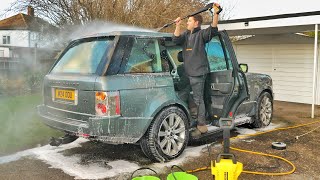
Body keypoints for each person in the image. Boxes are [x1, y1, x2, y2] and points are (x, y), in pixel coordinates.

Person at [172, 3, 221, 135]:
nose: (187, 23)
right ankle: (191, 117)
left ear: (196, 23)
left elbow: (213, 29)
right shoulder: (186, 35)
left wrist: (215, 13)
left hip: (198, 73)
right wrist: (177, 25)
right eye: (187, 21)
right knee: (185, 94)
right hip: (187, 73)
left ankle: (201, 125)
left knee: (198, 99)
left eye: (189, 21)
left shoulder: (201, 35)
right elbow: (175, 40)